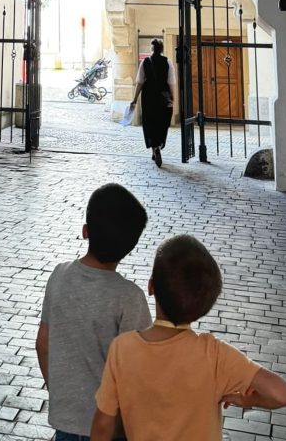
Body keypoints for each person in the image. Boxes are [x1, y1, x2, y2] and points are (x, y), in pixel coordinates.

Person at [91, 235, 286, 441]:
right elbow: (281, 395)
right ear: (205, 306)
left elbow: (102, 424)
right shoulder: (214, 354)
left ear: (151, 287)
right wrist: (246, 400)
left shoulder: (123, 348)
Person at [36, 184, 151, 441]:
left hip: (65, 421)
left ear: (85, 231)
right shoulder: (129, 297)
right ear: (130, 247)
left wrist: (60, 391)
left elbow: (42, 344)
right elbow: (137, 370)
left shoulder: (59, 276)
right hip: (111, 427)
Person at [130, 38, 176, 167]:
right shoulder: (168, 62)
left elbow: (139, 82)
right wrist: (173, 97)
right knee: (162, 122)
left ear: (152, 49)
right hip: (163, 96)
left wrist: (134, 99)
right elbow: (171, 82)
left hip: (148, 97)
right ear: (161, 49)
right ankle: (158, 146)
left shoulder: (145, 62)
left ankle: (154, 148)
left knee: (150, 122)